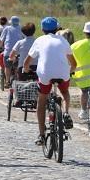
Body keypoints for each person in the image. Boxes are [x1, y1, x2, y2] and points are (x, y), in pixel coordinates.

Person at [23, 16, 76, 145]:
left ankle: (41, 135)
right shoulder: (63, 40)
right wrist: (70, 71)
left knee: (41, 102)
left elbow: (27, 62)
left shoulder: (39, 40)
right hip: (62, 74)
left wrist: (26, 69)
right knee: (65, 93)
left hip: (45, 75)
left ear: (42, 29)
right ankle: (66, 112)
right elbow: (73, 63)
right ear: (57, 28)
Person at [0, 15, 22, 87]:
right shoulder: (21, 28)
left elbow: (1, 40)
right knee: (17, 67)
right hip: (18, 52)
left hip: (8, 51)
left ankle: (7, 81)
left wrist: (0, 47)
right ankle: (16, 80)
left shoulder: (7, 28)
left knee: (7, 67)